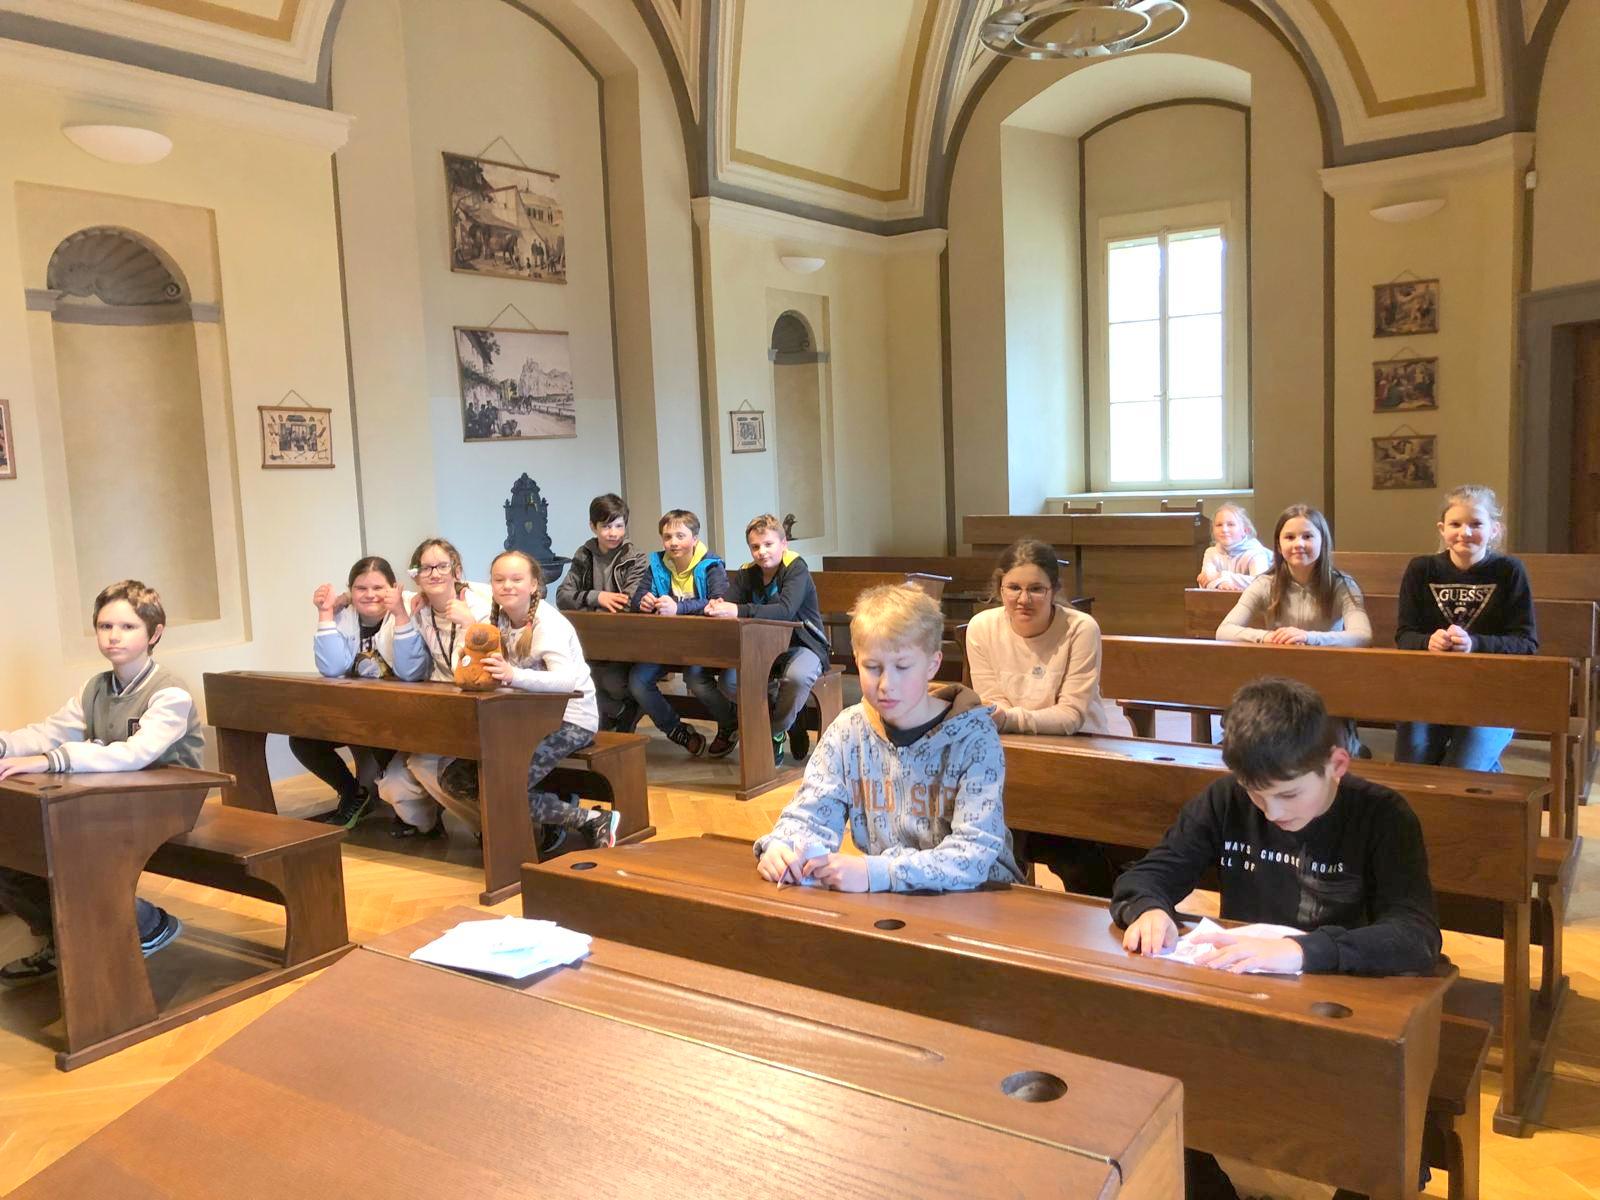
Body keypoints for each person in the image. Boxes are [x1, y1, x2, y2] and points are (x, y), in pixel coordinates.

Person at [1112, 676, 1441, 1200]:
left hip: (1348, 1017)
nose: (1274, 813)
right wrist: (1148, 907)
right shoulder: (1225, 800)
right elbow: (1151, 874)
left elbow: (1416, 936)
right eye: (1256, 795)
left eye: (1289, 794)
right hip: (1247, 1006)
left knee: (1376, 1134)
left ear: (1337, 764)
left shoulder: (1383, 816)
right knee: (1153, 1067)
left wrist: (1300, 950)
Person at [754, 585, 1023, 892]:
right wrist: (783, 846)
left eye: (903, 667)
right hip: (890, 895)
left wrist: (876, 872)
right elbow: (811, 815)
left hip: (981, 895)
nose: (886, 684)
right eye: (872, 667)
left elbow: (973, 855)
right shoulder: (848, 731)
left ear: (933, 664)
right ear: (857, 660)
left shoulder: (974, 737)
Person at [0, 581, 202, 986]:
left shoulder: (170, 693)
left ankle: (148, 924)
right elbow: (51, 731)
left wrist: (49, 760)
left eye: (127, 627)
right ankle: (61, 938)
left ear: (154, 633)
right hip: (112, 798)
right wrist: (5, 745)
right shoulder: (95, 687)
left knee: (71, 849)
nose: (113, 636)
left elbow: (135, 754)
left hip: (167, 803)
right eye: (105, 626)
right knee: (13, 850)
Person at [435, 551, 617, 852]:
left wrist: (512, 675)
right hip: (522, 720)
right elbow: (469, 664)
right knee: (455, 780)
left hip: (570, 720)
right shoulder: (494, 620)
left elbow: (566, 682)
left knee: (504, 787)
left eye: (516, 579)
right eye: (499, 580)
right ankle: (564, 812)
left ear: (534, 585)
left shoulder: (549, 623)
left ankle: (589, 819)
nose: (507, 585)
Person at [965, 538, 1115, 893]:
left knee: (1080, 857)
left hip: (1079, 752)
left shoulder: (1081, 628)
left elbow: (1071, 715)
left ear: (1054, 590)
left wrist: (1008, 719)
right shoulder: (981, 627)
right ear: (1000, 587)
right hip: (1014, 756)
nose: (1023, 599)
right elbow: (993, 702)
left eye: (1036, 589)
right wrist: (1005, 720)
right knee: (991, 839)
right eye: (1013, 588)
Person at [1394, 484, 1538, 772]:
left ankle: (1486, 778)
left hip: (1492, 691)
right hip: (1429, 689)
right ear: (1442, 529)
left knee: (1460, 770)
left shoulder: (1509, 571)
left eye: (1476, 524)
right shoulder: (1421, 569)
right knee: (1414, 767)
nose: (1465, 532)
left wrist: (1475, 644)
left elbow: (1526, 642)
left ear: (1494, 529)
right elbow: (1404, 635)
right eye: (1455, 524)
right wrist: (1427, 641)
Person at [294, 556, 428, 828]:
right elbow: (332, 668)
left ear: (393, 587)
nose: (370, 595)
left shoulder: (410, 608)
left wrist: (400, 615)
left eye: (378, 588)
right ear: (350, 590)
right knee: (302, 739)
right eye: (361, 588)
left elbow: (410, 672)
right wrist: (325, 614)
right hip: (358, 713)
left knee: (385, 740)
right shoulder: (344, 615)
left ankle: (408, 808)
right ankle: (352, 793)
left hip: (403, 713)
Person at [376, 537, 492, 838]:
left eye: (442, 566)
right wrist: (403, 616)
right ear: (416, 575)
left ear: (456, 570)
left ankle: (490, 831)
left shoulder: (480, 606)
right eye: (425, 568)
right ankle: (431, 824)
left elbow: (490, 668)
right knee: (394, 785)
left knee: (424, 765)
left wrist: (470, 625)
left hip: (481, 712)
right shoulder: (417, 608)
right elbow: (408, 669)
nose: (434, 574)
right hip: (440, 712)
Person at [705, 514, 829, 766]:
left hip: (803, 644)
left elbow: (785, 610)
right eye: (755, 547)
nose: (761, 552)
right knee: (729, 682)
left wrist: (738, 610)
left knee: (796, 679)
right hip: (762, 648)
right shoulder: (747, 573)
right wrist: (716, 605)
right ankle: (789, 717)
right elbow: (730, 600)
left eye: (768, 544)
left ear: (784, 544)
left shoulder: (796, 569)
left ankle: (774, 731)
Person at [627, 509, 730, 757]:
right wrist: (643, 602)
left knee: (695, 678)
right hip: (667, 643)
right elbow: (637, 597)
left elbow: (718, 601)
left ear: (694, 539)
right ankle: (676, 729)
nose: (673, 542)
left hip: (705, 644)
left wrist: (678, 607)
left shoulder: (711, 565)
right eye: (667, 537)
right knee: (638, 680)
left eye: (680, 536)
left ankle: (730, 723)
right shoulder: (657, 564)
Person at [556, 493, 649, 732]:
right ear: (593, 526)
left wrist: (584, 604)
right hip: (588, 636)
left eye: (619, 526)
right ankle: (619, 712)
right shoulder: (584, 554)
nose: (613, 533)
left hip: (623, 636)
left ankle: (624, 711)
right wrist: (598, 597)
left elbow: (628, 602)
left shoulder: (635, 557)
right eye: (606, 526)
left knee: (611, 682)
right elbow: (563, 596)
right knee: (576, 679)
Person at [1215, 505, 1372, 646]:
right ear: (1279, 545)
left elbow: (1362, 635)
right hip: (1279, 664)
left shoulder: (1342, 585)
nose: (1298, 544)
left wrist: (1308, 638)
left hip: (1328, 663)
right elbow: (1224, 630)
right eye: (1290, 537)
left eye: (1307, 536)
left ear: (1322, 541)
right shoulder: (1264, 584)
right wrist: (1268, 637)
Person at [1196, 504, 1271, 592]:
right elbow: (1205, 581)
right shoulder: (1211, 553)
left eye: (1231, 524)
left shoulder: (1256, 552)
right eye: (1219, 525)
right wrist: (1221, 584)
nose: (1224, 529)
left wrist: (1221, 575)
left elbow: (1261, 583)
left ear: (1245, 530)